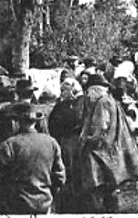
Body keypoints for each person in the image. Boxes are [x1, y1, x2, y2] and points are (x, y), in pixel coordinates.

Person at [0, 103, 66, 214]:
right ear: (36, 122)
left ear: (16, 123)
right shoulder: (51, 143)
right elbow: (60, 178)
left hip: (16, 204)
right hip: (44, 203)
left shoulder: (9, 145)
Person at [78, 73, 138, 213]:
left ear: (94, 90)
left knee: (96, 190)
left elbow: (100, 128)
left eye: (88, 91)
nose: (87, 95)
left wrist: (86, 141)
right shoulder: (111, 101)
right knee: (110, 189)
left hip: (101, 152)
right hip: (111, 150)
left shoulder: (101, 103)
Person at [48, 78, 85, 213]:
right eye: (61, 89)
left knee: (73, 173)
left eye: (64, 89)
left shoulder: (79, 103)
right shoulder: (63, 104)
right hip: (65, 143)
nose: (62, 92)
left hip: (72, 143)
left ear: (73, 89)